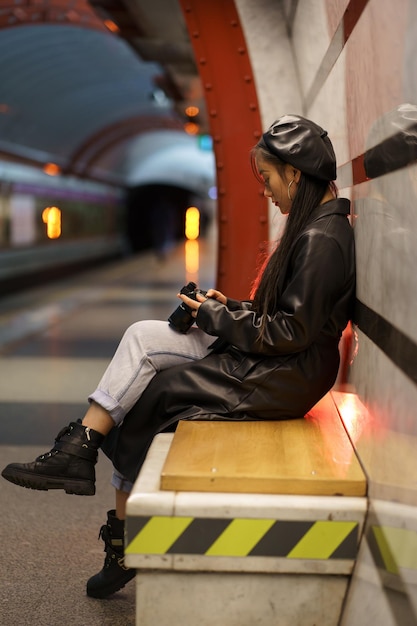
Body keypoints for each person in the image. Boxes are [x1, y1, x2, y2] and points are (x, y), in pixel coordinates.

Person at [2, 114, 356, 599]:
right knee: (145, 340)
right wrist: (225, 306)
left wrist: (216, 317)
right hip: (281, 363)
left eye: (270, 179)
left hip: (286, 374)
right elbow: (290, 315)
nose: (269, 193)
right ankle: (81, 447)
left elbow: (292, 331)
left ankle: (107, 507)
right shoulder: (315, 229)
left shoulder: (321, 238)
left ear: (294, 173)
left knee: (157, 393)